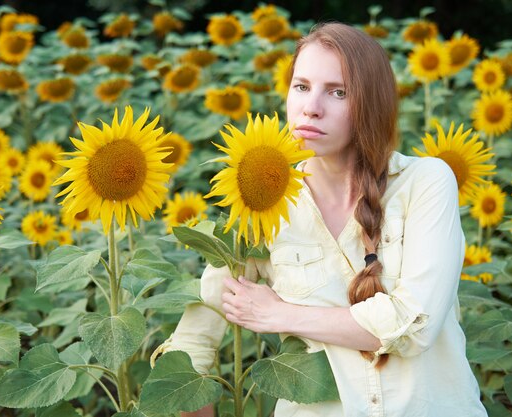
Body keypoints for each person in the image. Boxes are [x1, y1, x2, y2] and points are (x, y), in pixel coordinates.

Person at [162, 22, 488, 417]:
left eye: (338, 92)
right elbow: (192, 345)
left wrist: (279, 314)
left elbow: (414, 326)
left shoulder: (426, 182)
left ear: (372, 103)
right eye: (301, 86)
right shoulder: (262, 206)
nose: (311, 107)